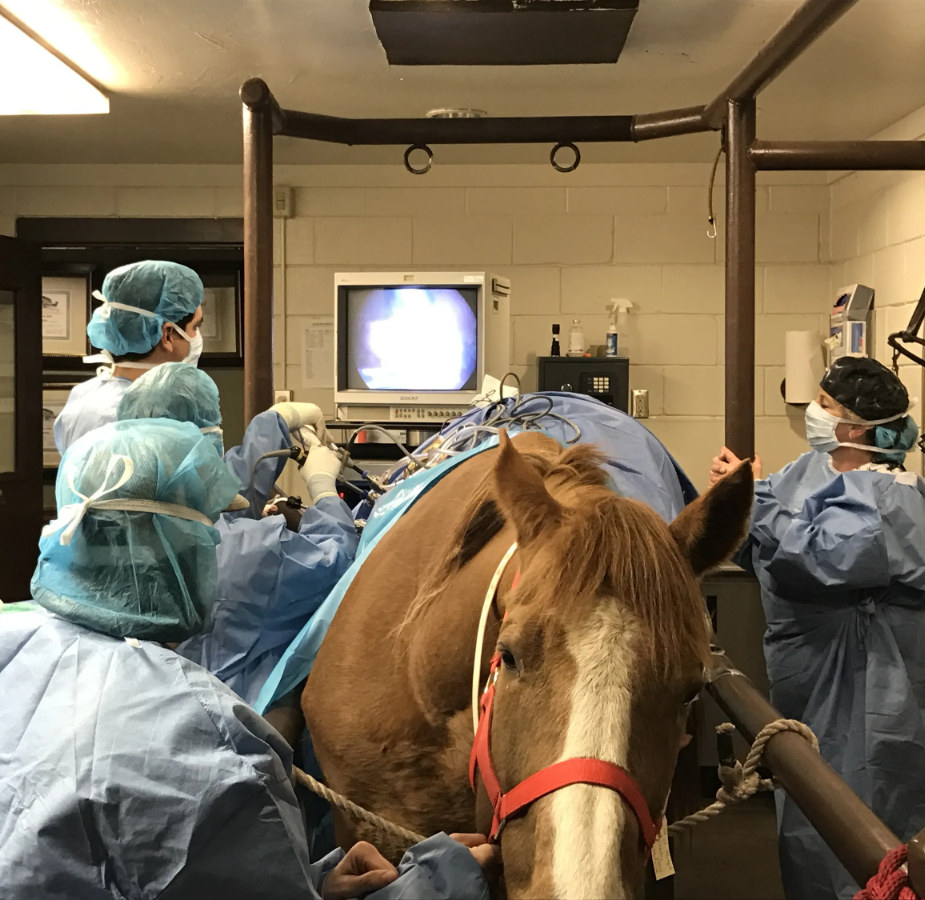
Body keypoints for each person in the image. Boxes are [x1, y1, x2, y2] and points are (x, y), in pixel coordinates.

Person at [0, 418, 493, 899]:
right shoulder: (204, 743)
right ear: (167, 547)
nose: (220, 539)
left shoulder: (14, 643)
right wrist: (435, 881)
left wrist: (313, 881)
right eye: (208, 526)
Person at [710, 356, 925, 900]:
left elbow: (821, 557)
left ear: (855, 430)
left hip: (866, 695)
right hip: (810, 688)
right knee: (809, 811)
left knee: (860, 823)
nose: (815, 413)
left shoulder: (892, 499)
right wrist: (736, 494)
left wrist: (754, 499)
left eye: (826, 407)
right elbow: (765, 539)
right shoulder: (813, 471)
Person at [116, 362, 356, 707]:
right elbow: (336, 560)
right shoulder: (250, 553)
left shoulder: (114, 527)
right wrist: (324, 491)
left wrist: (274, 423)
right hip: (223, 723)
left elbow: (208, 495)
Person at [54, 260, 205, 454]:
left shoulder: (85, 396)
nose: (196, 337)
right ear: (167, 335)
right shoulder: (146, 417)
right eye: (195, 327)